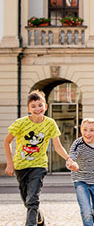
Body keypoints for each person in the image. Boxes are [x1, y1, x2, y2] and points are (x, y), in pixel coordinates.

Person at [4, 90, 78, 226]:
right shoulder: (21, 123)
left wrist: (68, 159)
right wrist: (9, 163)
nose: (37, 109)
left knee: (33, 199)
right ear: (28, 109)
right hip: (21, 166)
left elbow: (58, 146)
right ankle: (39, 218)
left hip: (39, 166)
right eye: (33, 106)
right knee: (27, 200)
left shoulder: (50, 124)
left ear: (46, 106)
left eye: (40, 105)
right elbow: (6, 141)